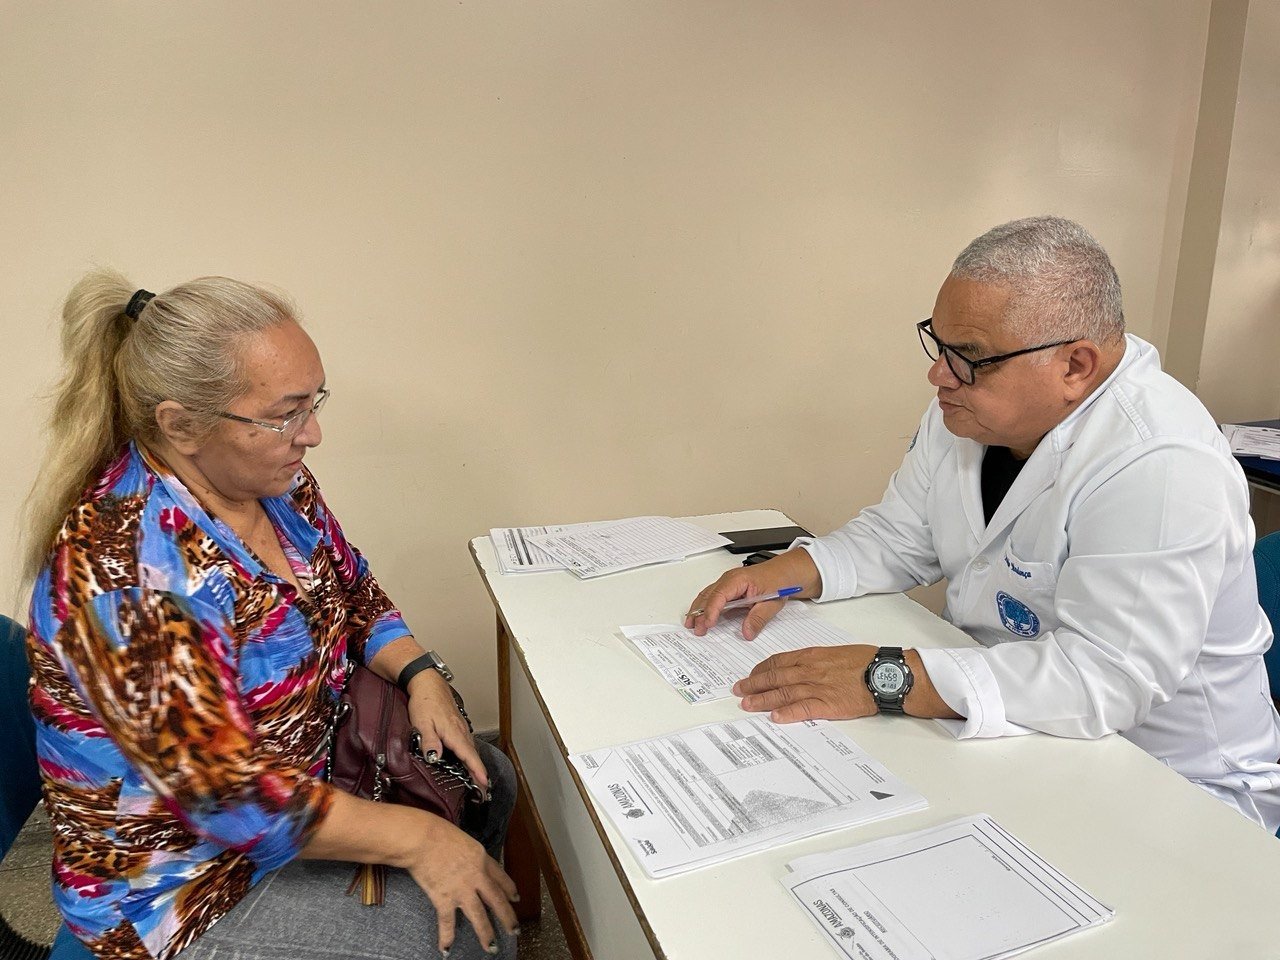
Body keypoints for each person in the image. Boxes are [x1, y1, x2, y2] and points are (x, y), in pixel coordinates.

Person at [686, 216, 1280, 832]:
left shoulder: (1161, 462)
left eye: (969, 357)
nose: (939, 375)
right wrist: (792, 570)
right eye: (938, 344)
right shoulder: (969, 412)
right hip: (1013, 727)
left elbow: (1105, 678)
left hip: (1174, 791)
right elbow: (901, 536)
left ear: (1075, 366)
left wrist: (884, 677)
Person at [22, 272, 519, 960]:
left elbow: (353, 589)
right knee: (456, 938)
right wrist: (421, 839)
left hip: (306, 774)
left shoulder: (274, 483)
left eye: (314, 402)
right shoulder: (128, 573)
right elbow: (228, 798)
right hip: (183, 881)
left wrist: (421, 674)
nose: (312, 433)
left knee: (488, 777)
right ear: (181, 425)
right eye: (285, 414)